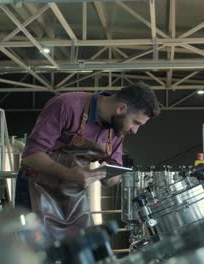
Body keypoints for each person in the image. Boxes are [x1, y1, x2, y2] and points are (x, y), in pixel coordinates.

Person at [15, 82, 160, 241]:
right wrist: (69, 174)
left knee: (83, 250)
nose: (134, 130)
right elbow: (30, 155)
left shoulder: (116, 129)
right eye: (136, 122)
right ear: (121, 109)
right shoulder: (67, 105)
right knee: (36, 253)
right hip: (36, 189)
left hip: (73, 197)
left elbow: (115, 171)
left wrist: (110, 176)